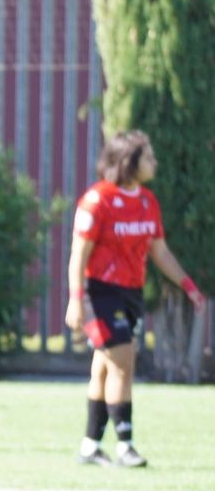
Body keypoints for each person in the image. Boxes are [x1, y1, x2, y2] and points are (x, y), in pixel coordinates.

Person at [65, 130, 204, 467]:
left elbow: (159, 250)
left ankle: (89, 445)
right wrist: (75, 300)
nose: (155, 162)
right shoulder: (97, 200)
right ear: (129, 161)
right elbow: (78, 254)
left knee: (105, 365)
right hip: (100, 292)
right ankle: (126, 444)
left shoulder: (147, 201)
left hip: (131, 293)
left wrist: (188, 285)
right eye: (149, 157)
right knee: (124, 362)